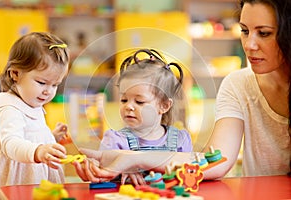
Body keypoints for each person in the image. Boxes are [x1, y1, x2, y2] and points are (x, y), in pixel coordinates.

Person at [73, 0, 290, 181]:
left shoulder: (179, 138)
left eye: (264, 33)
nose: (249, 44)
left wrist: (134, 158)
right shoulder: (238, 84)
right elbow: (214, 162)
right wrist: (130, 159)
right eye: (244, 31)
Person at [0, 32, 70, 199]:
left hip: (34, 181)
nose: (48, 91)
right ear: (15, 74)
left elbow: (30, 134)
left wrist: (51, 136)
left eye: (55, 85)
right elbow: (11, 144)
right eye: (42, 82)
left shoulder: (31, 102)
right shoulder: (10, 109)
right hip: (16, 183)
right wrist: (38, 151)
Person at [99, 49, 192, 185]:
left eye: (139, 102)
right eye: (124, 100)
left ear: (164, 106)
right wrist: (120, 170)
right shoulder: (114, 141)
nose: (129, 106)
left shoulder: (180, 141)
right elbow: (99, 174)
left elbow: (190, 173)